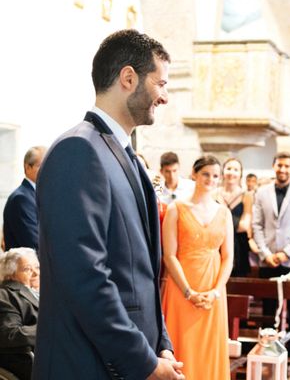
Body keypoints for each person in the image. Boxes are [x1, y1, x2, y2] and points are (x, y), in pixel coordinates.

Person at [34, 30, 183, 379]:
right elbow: (85, 276)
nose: (165, 97)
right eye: (160, 84)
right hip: (87, 363)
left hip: (124, 357)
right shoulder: (78, 151)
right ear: (128, 78)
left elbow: (141, 273)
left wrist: (160, 342)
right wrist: (142, 361)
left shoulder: (122, 154)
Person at [161, 155, 233, 380]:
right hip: (181, 288)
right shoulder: (176, 208)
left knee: (209, 350)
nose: (210, 179)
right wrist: (188, 292)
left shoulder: (224, 212)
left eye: (215, 176)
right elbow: (169, 255)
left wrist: (216, 291)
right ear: (194, 174)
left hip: (213, 291)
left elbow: (228, 257)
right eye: (205, 174)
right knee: (182, 345)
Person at [252, 152, 290, 360]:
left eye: (287, 166)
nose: (283, 170)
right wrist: (266, 253)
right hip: (267, 259)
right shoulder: (261, 193)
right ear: (273, 166)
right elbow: (256, 225)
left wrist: (286, 253)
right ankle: (268, 351)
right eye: (279, 165)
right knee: (268, 309)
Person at [0, 248, 39, 380]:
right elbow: (10, 334)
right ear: (10, 275)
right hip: (32, 360)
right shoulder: (5, 295)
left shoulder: (46, 292)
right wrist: (49, 329)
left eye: (37, 267)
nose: (36, 273)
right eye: (27, 269)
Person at [3, 146, 46, 251]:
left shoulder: (38, 194)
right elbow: (33, 242)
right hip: (26, 265)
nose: (46, 170)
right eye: (41, 165)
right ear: (27, 167)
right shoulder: (21, 199)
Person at [218, 157, 253, 277]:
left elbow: (244, 226)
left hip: (239, 245)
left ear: (240, 174)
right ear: (223, 171)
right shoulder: (214, 194)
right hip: (218, 243)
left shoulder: (247, 195)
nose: (231, 172)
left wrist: (221, 221)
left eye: (235, 169)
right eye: (228, 168)